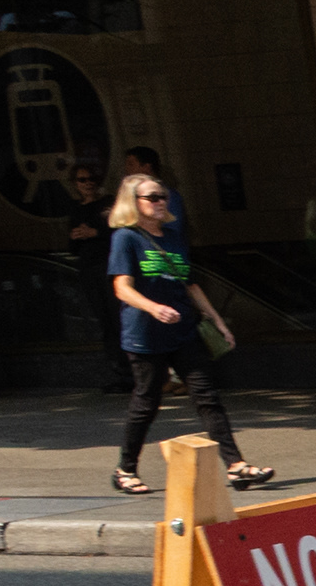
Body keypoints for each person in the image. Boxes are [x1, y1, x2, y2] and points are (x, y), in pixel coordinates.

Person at [107, 170, 269, 493]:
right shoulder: (126, 238)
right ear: (133, 203)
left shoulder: (173, 236)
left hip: (182, 331)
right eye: (152, 197)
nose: (160, 202)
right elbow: (122, 288)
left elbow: (190, 285)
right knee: (147, 402)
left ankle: (236, 466)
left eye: (163, 197)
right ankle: (125, 469)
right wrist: (153, 308)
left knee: (207, 396)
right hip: (146, 335)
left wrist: (217, 320)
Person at [64, 161, 126, 393]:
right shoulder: (76, 209)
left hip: (108, 266)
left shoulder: (107, 203)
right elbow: (72, 247)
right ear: (74, 184)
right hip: (89, 269)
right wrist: (76, 236)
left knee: (117, 317)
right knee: (105, 320)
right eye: (82, 180)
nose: (88, 184)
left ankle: (132, 371)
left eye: (91, 179)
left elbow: (118, 230)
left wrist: (95, 232)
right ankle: (119, 371)